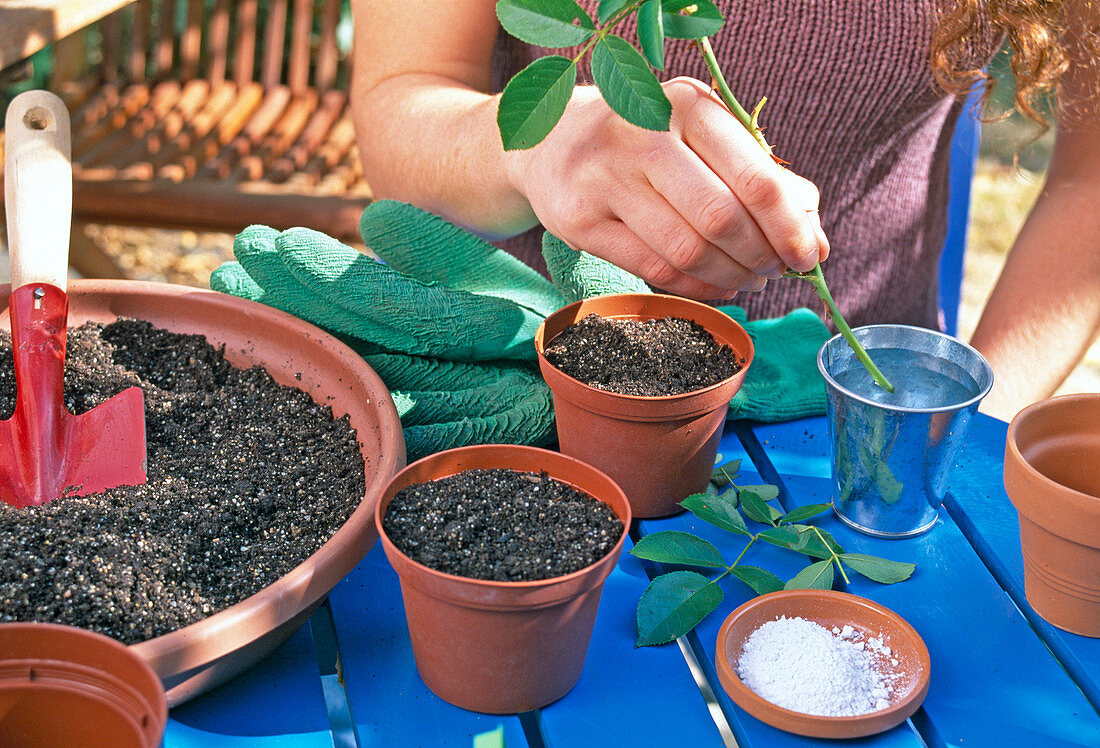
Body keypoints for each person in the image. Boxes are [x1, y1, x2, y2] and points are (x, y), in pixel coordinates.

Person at [348, 0, 1100, 421]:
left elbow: (1090, 178)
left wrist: (980, 419)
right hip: (524, 386)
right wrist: (534, 149)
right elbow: (402, 102)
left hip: (847, 417)